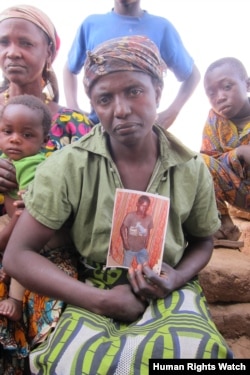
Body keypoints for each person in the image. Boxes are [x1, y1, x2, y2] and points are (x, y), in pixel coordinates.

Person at [3, 35, 233, 373]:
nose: (121, 110)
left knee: (197, 353)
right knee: (77, 363)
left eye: (134, 92)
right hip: (90, 286)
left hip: (166, 288)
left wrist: (177, 276)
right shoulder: (68, 165)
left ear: (158, 90)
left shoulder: (190, 167)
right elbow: (18, 255)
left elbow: (202, 240)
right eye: (104, 98)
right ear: (93, 105)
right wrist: (102, 299)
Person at [0, 5, 89, 373]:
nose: (12, 51)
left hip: (50, 250)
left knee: (55, 314)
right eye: (3, 42)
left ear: (50, 52)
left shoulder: (74, 123)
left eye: (25, 42)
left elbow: (92, 195)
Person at [63, 0, 200, 129]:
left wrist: (171, 113)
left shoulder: (161, 28)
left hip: (141, 129)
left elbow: (192, 75)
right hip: (99, 127)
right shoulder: (91, 25)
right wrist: (73, 107)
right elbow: (69, 68)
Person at [0, 94, 52, 321]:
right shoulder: (6, 157)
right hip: (10, 220)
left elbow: (31, 208)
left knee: (23, 255)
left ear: (44, 140)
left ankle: (15, 299)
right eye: (7, 132)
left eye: (27, 134)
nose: (15, 139)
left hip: (30, 227)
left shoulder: (35, 164)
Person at [200, 57, 250, 249]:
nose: (219, 97)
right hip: (239, 193)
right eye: (211, 93)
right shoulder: (214, 118)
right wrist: (239, 153)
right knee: (198, 162)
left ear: (247, 85)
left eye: (227, 87)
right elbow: (209, 160)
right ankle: (225, 226)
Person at [120, 194, 153, 267]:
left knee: (145, 268)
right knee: (125, 268)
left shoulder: (149, 218)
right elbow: (122, 229)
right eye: (143, 206)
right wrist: (125, 243)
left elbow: (148, 232)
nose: (145, 208)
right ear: (137, 204)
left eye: (147, 207)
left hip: (141, 248)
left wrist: (146, 243)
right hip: (130, 248)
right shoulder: (130, 215)